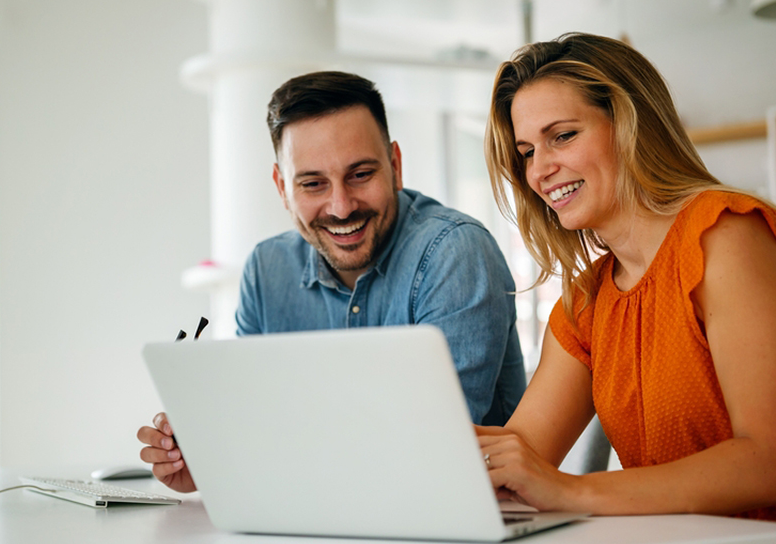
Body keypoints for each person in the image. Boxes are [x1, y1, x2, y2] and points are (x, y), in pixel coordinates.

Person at [477, 32, 776, 544]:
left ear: (631, 126)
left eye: (564, 136)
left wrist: (572, 491)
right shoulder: (587, 302)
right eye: (527, 152)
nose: (540, 170)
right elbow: (519, 459)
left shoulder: (728, 240)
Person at [139, 70, 526, 493]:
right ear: (282, 187)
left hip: (457, 527)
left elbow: (435, 453)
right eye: (313, 183)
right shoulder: (267, 270)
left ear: (395, 167)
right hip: (318, 523)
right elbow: (255, 425)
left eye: (360, 174)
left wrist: (258, 453)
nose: (340, 207)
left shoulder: (455, 253)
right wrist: (211, 461)